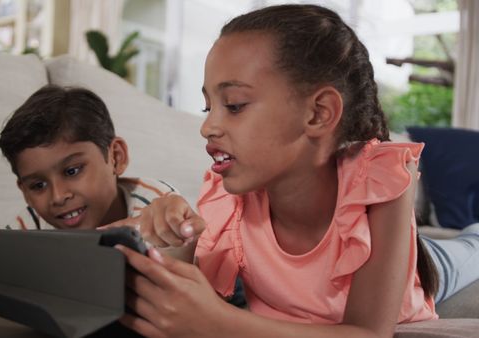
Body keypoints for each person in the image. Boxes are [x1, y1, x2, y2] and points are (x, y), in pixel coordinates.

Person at [114, 4, 479, 338]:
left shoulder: (378, 179)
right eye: (208, 107)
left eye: (235, 105)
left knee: (470, 248)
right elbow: (188, 296)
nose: (207, 127)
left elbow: (369, 333)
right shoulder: (229, 197)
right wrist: (174, 239)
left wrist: (220, 323)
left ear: (318, 113)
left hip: (420, 271)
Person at [0, 85, 193, 326]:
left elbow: (180, 264)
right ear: (23, 191)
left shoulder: (155, 201)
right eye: (37, 185)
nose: (58, 196)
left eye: (72, 171)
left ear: (115, 157)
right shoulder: (31, 226)